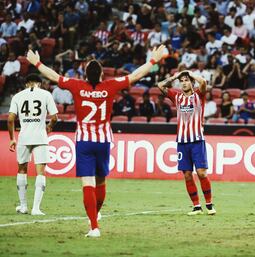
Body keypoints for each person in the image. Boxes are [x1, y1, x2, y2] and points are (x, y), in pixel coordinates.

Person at [26, 45, 165, 237]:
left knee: (87, 183)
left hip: (84, 141)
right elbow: (135, 76)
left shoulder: (77, 85)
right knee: (100, 181)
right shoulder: (110, 86)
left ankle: (94, 227)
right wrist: (153, 60)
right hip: (103, 141)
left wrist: (37, 63)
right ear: (101, 75)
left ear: (85, 74)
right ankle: (97, 213)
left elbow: (53, 76)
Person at [157, 70, 216, 216]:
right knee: (187, 175)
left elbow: (203, 83)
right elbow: (160, 85)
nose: (183, 82)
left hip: (197, 140)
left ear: (191, 82)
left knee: (202, 173)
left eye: (186, 80)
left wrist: (190, 73)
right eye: (182, 80)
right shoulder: (176, 96)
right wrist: (175, 77)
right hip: (182, 141)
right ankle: (196, 206)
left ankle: (209, 204)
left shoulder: (198, 95)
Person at [8, 74, 58, 216]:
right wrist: (49, 127)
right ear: (39, 84)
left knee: (22, 169)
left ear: (26, 84)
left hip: (24, 137)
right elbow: (54, 117)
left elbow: (11, 119)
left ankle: (23, 206)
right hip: (40, 137)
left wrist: (12, 138)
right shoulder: (46, 94)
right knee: (40, 171)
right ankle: (36, 208)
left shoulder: (17, 96)